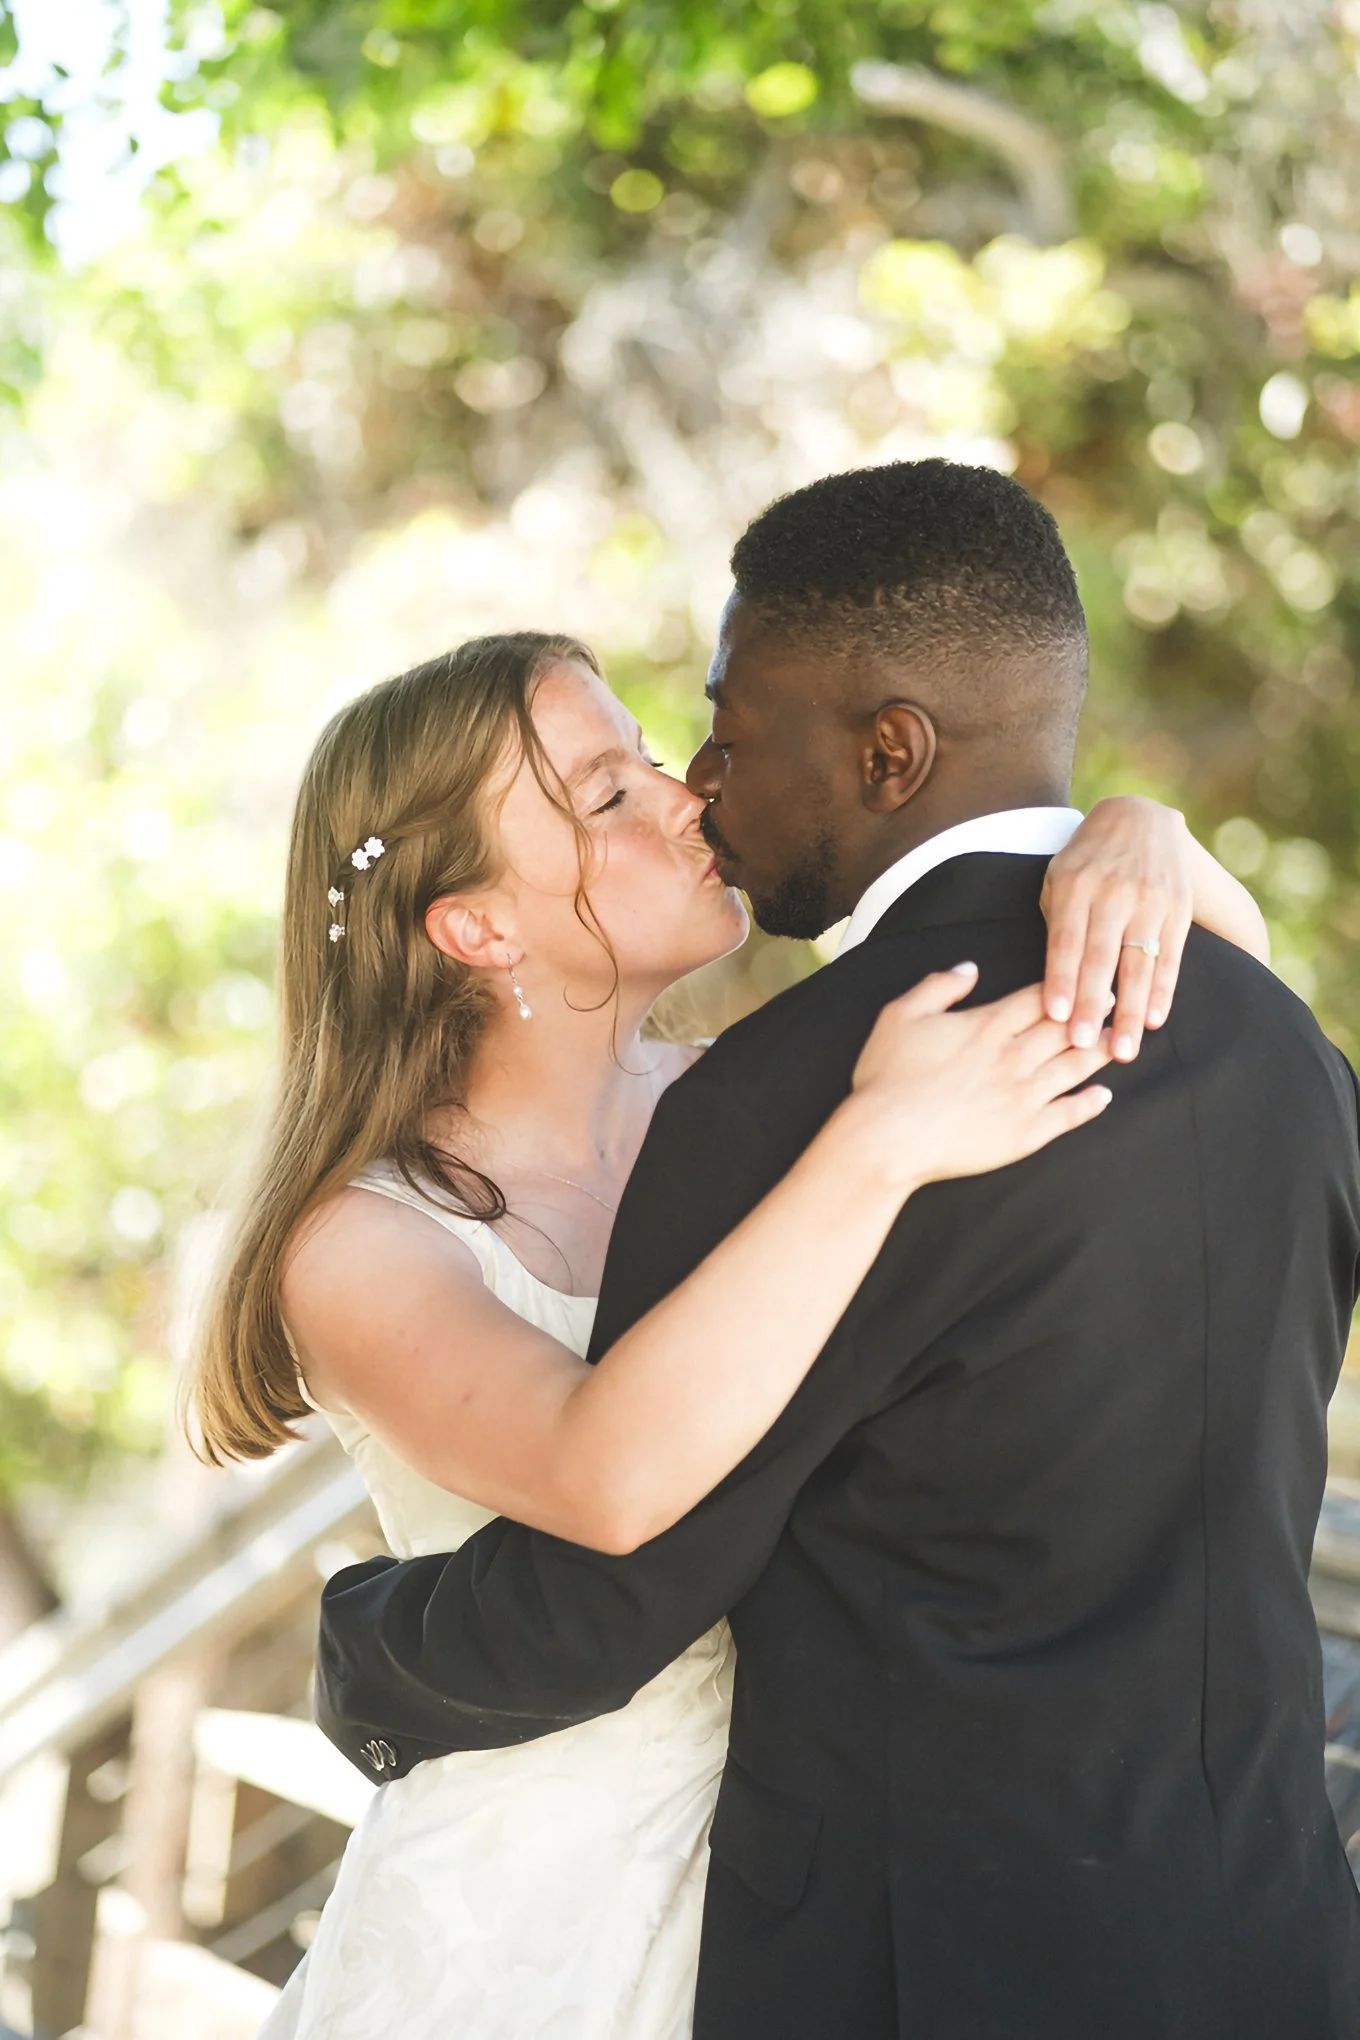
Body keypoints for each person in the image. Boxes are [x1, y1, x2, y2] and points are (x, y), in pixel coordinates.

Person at [316, 460, 1360, 2040]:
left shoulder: (771, 1104)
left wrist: (367, 1648)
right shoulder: (1277, 1040)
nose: (699, 787)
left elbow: (620, 1584)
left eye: (722, 737)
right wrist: (1140, 833)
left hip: (924, 1956)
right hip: (1269, 1927)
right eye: (629, 783)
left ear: (889, 750)